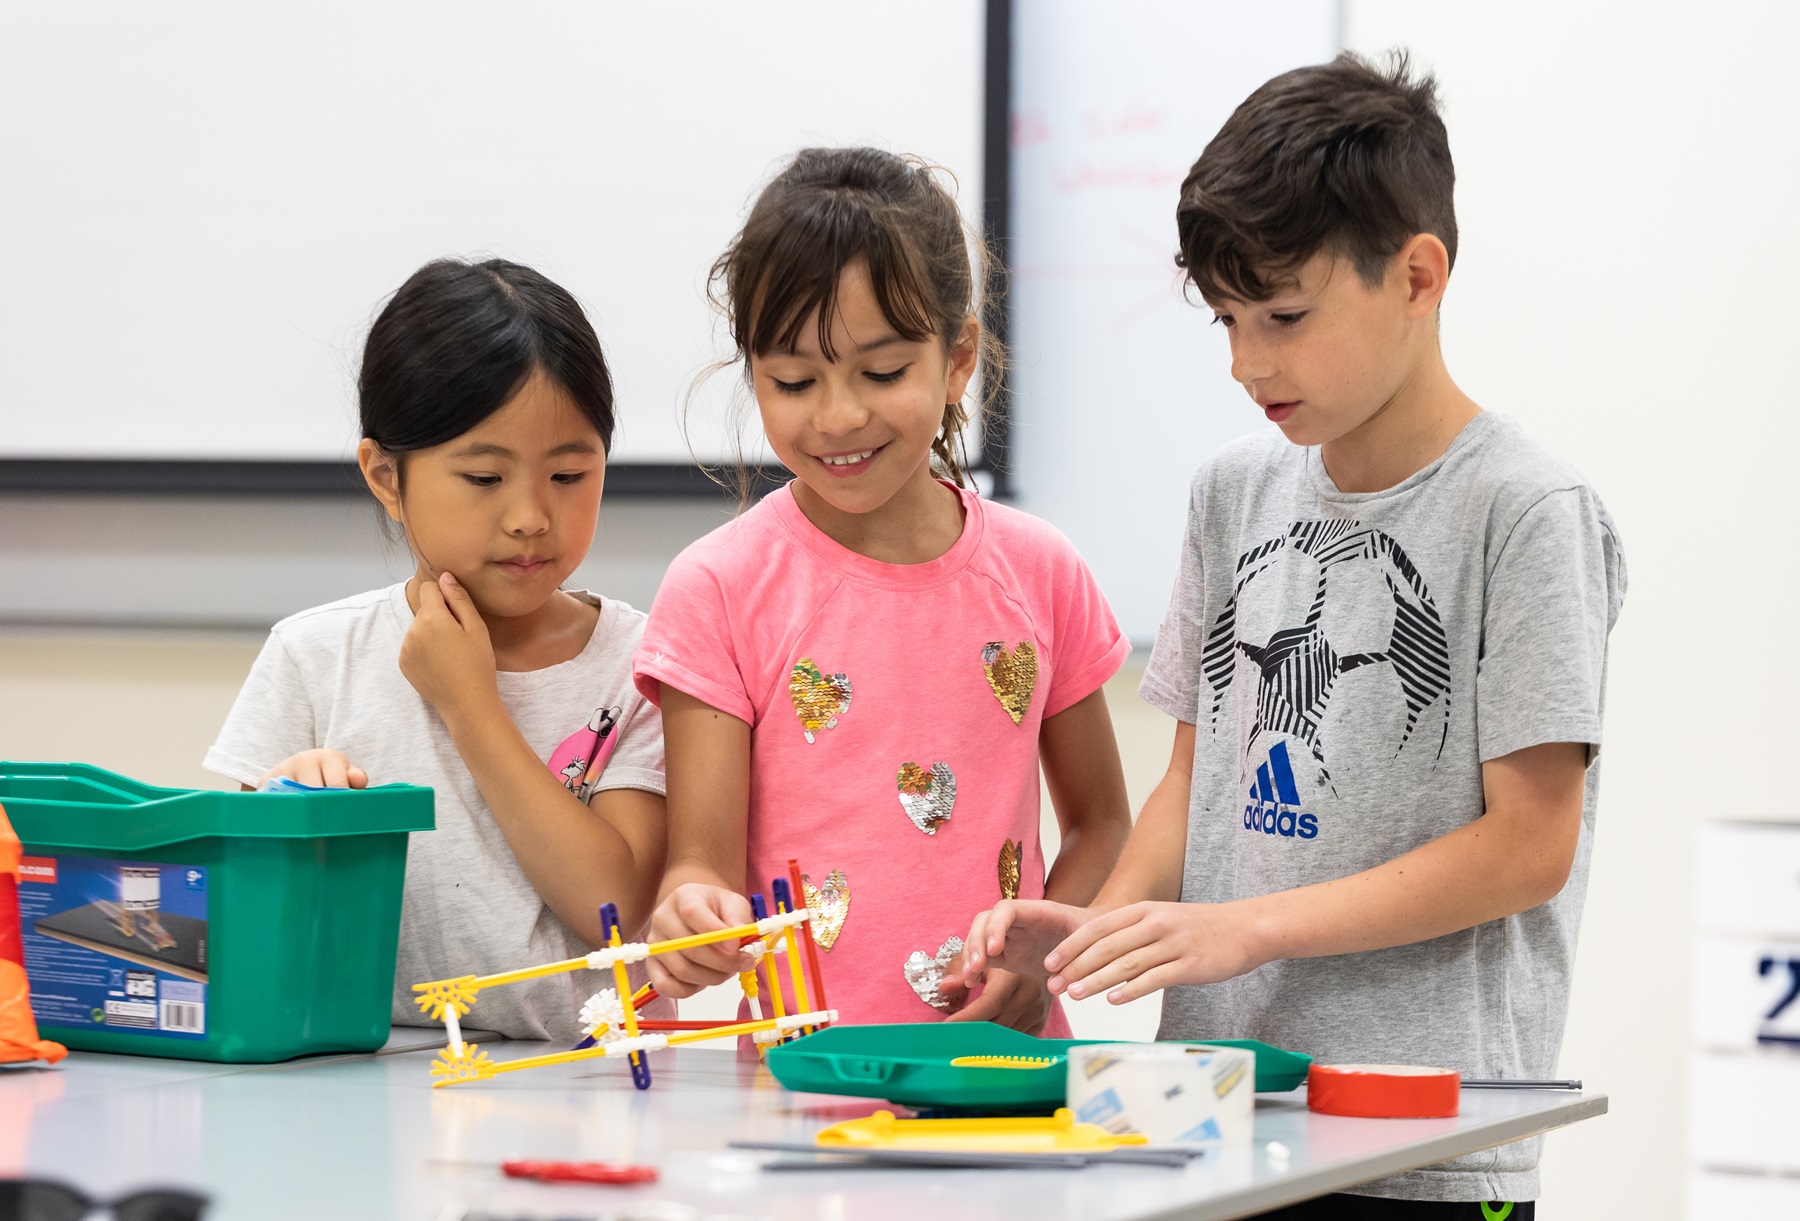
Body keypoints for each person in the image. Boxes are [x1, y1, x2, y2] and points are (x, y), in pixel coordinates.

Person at [950, 54, 1626, 1216]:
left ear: (1418, 276)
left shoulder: (1525, 511)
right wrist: (1100, 933)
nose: (1246, 362)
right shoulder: (1232, 492)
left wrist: (1245, 930)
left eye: (1285, 316)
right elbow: (1194, 786)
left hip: (1423, 1142)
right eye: (1225, 318)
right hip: (1202, 1111)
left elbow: (1529, 846)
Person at [633, 147, 1133, 1034]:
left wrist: (1041, 963)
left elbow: (1100, 827)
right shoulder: (719, 586)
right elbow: (696, 870)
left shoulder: (1040, 568)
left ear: (958, 359)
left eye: (882, 371)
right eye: (793, 381)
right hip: (802, 1090)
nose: (837, 416)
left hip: (1007, 1077)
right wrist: (688, 920)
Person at [205, 259, 667, 1041]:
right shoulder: (315, 655)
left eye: (568, 473)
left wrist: (470, 703)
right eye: (485, 477)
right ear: (387, 476)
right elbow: (235, 927)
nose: (531, 516)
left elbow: (612, 908)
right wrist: (283, 809)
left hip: (584, 1086)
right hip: (356, 1083)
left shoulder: (643, 660)